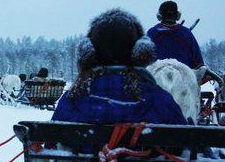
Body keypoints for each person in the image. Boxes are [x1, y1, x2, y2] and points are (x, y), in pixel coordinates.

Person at [52, 8, 187, 125]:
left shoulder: (72, 100)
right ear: (139, 51)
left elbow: (52, 143)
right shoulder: (160, 100)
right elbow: (186, 144)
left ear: (90, 52)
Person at [147, 1, 204, 69]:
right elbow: (198, 62)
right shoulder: (186, 33)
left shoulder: (151, 33)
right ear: (177, 15)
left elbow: (142, 59)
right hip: (183, 76)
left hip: (156, 76)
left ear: (160, 16)